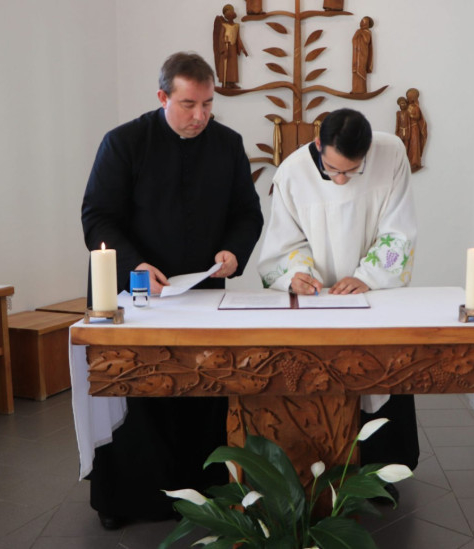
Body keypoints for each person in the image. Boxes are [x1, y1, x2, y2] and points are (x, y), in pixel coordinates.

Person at [80, 51, 264, 529]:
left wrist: (233, 251)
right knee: (138, 394)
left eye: (208, 104)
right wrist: (135, 265)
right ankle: (129, 501)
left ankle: (204, 494)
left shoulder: (227, 144)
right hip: (139, 294)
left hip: (202, 294)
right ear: (162, 97)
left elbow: (247, 213)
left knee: (203, 392)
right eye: (188, 104)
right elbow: (98, 216)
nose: (200, 115)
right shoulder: (124, 142)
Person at [257, 108, 419, 499]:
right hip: (318, 299)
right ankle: (319, 474)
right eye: (333, 170)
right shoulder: (293, 172)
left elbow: (399, 229)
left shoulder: (391, 154)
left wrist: (368, 275)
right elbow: (283, 244)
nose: (342, 179)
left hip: (371, 293)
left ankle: (380, 475)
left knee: (378, 375)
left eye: (352, 170)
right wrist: (299, 275)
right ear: (318, 145)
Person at [213, 4, 248, 89]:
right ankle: (225, 83)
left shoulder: (237, 26)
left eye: (231, 11)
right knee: (225, 65)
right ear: (225, 15)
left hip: (233, 48)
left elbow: (238, 38)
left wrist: (243, 48)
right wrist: (224, 49)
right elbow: (221, 38)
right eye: (228, 12)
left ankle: (232, 82)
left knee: (233, 66)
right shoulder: (224, 26)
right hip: (226, 47)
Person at [351, 16, 374, 94]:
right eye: (361, 21)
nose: (361, 23)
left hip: (363, 54)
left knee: (361, 70)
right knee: (355, 71)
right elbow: (353, 40)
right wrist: (358, 33)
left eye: (363, 21)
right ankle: (355, 90)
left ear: (367, 24)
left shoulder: (367, 32)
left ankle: (361, 90)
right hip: (356, 54)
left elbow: (366, 41)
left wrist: (361, 33)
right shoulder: (358, 31)